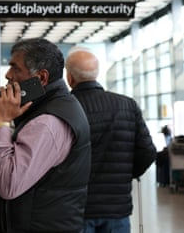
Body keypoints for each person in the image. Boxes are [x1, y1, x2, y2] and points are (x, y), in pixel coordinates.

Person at [0, 38, 91, 233]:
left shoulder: (48, 122)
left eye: (15, 68)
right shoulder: (48, 109)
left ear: (41, 78)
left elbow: (8, 183)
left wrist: (1, 123)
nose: (8, 75)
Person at [65, 47, 157, 233]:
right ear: (96, 74)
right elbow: (148, 152)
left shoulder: (64, 108)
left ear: (70, 78)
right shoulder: (127, 105)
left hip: (76, 208)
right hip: (117, 208)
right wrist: (123, 175)